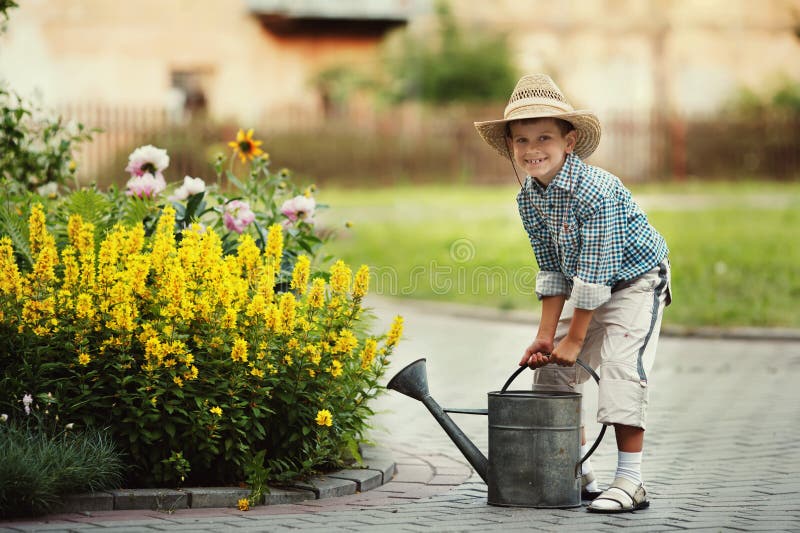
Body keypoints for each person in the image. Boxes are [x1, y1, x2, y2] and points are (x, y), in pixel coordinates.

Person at [474, 74, 671, 513]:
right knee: (551, 376)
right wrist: (548, 337)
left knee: (621, 368)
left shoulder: (597, 192)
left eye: (544, 136)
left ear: (570, 141)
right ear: (510, 146)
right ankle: (571, 470)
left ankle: (631, 480)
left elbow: (597, 276)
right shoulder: (529, 199)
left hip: (635, 282)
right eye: (521, 140)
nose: (532, 149)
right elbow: (552, 271)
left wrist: (575, 339)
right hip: (587, 284)